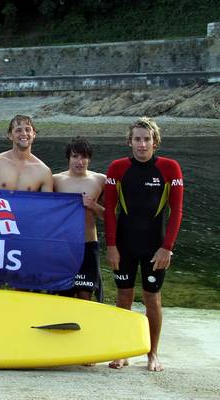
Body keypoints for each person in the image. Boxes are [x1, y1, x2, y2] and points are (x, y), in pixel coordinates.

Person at [104, 117, 184, 372]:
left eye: (147, 139)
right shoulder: (117, 168)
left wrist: (167, 247)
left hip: (155, 246)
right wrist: (112, 246)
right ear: (129, 142)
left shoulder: (170, 168)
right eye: (137, 139)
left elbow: (177, 211)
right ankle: (122, 351)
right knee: (123, 297)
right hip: (125, 244)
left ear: (155, 142)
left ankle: (152, 353)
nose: (142, 144)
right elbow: (108, 211)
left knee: (153, 299)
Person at [0, 114, 53, 288]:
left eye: (28, 129)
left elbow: (47, 212)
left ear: (34, 134)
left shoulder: (43, 171)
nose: (23, 133)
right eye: (18, 130)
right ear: (10, 135)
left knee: (23, 292)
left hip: (25, 239)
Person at [53, 136, 106, 301]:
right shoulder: (56, 180)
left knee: (85, 297)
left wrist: (93, 205)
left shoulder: (100, 180)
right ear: (68, 158)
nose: (79, 161)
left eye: (84, 157)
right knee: (64, 296)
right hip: (63, 246)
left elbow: (108, 216)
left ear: (89, 158)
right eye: (75, 156)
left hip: (88, 245)